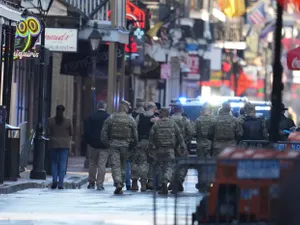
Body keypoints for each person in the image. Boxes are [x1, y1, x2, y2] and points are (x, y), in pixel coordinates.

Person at [101, 100, 138, 194]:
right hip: (126, 145)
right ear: (126, 108)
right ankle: (121, 182)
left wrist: (107, 143)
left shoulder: (112, 117)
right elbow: (135, 134)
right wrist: (133, 145)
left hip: (114, 145)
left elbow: (104, 132)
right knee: (123, 165)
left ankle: (118, 182)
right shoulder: (130, 119)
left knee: (115, 165)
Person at [148, 108, 187, 195]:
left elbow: (151, 138)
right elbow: (179, 136)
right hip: (170, 150)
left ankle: (163, 185)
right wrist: (183, 147)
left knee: (161, 168)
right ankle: (166, 181)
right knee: (169, 167)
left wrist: (150, 150)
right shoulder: (173, 124)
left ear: (162, 114)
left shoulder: (156, 124)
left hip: (159, 150)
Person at [131, 102, 158, 192]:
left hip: (140, 142)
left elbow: (134, 128)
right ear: (153, 108)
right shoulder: (155, 118)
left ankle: (135, 183)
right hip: (152, 144)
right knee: (151, 163)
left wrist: (135, 140)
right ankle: (148, 182)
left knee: (139, 162)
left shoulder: (139, 116)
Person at [84, 101, 110, 190]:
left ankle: (91, 183)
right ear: (105, 107)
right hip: (104, 145)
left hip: (93, 144)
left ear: (97, 107)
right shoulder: (108, 117)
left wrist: (89, 141)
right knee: (102, 164)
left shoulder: (91, 117)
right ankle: (100, 184)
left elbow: (86, 131)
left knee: (92, 163)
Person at [46, 105, 73, 189]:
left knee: (54, 163)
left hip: (53, 144)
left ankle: (54, 180)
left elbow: (48, 132)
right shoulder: (68, 121)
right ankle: (60, 183)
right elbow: (71, 132)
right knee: (62, 164)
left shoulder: (50, 121)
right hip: (64, 145)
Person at [169, 102, 194, 193]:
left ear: (174, 109)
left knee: (172, 164)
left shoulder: (169, 119)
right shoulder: (185, 120)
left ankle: (172, 182)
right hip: (182, 146)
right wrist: (185, 140)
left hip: (171, 145)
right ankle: (179, 180)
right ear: (181, 109)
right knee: (183, 164)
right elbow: (191, 132)